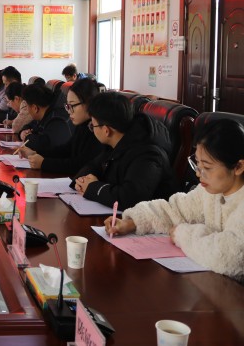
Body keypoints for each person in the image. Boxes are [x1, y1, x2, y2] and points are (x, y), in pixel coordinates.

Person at [105, 119, 244, 282]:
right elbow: (176, 210)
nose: (198, 173)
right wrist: (133, 222)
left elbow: (229, 256)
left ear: (238, 167)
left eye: (206, 167)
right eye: (197, 163)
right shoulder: (211, 190)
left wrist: (182, 234)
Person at [73, 91, 180, 210]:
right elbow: (93, 166)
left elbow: (130, 199)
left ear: (106, 130)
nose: (92, 130)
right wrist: (82, 181)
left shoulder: (148, 154)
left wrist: (93, 187)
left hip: (152, 218)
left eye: (93, 126)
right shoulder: (115, 142)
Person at [20, 78, 105, 176]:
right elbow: (65, 150)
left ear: (88, 103)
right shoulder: (82, 125)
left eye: (72, 105)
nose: (68, 111)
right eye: (67, 106)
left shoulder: (97, 130)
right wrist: (36, 153)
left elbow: (80, 165)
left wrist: (44, 163)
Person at [16, 84, 72, 156]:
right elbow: (31, 125)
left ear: (35, 108)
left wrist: (27, 137)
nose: (27, 110)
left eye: (27, 106)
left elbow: (44, 145)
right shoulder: (45, 113)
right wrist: (23, 132)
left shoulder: (57, 118)